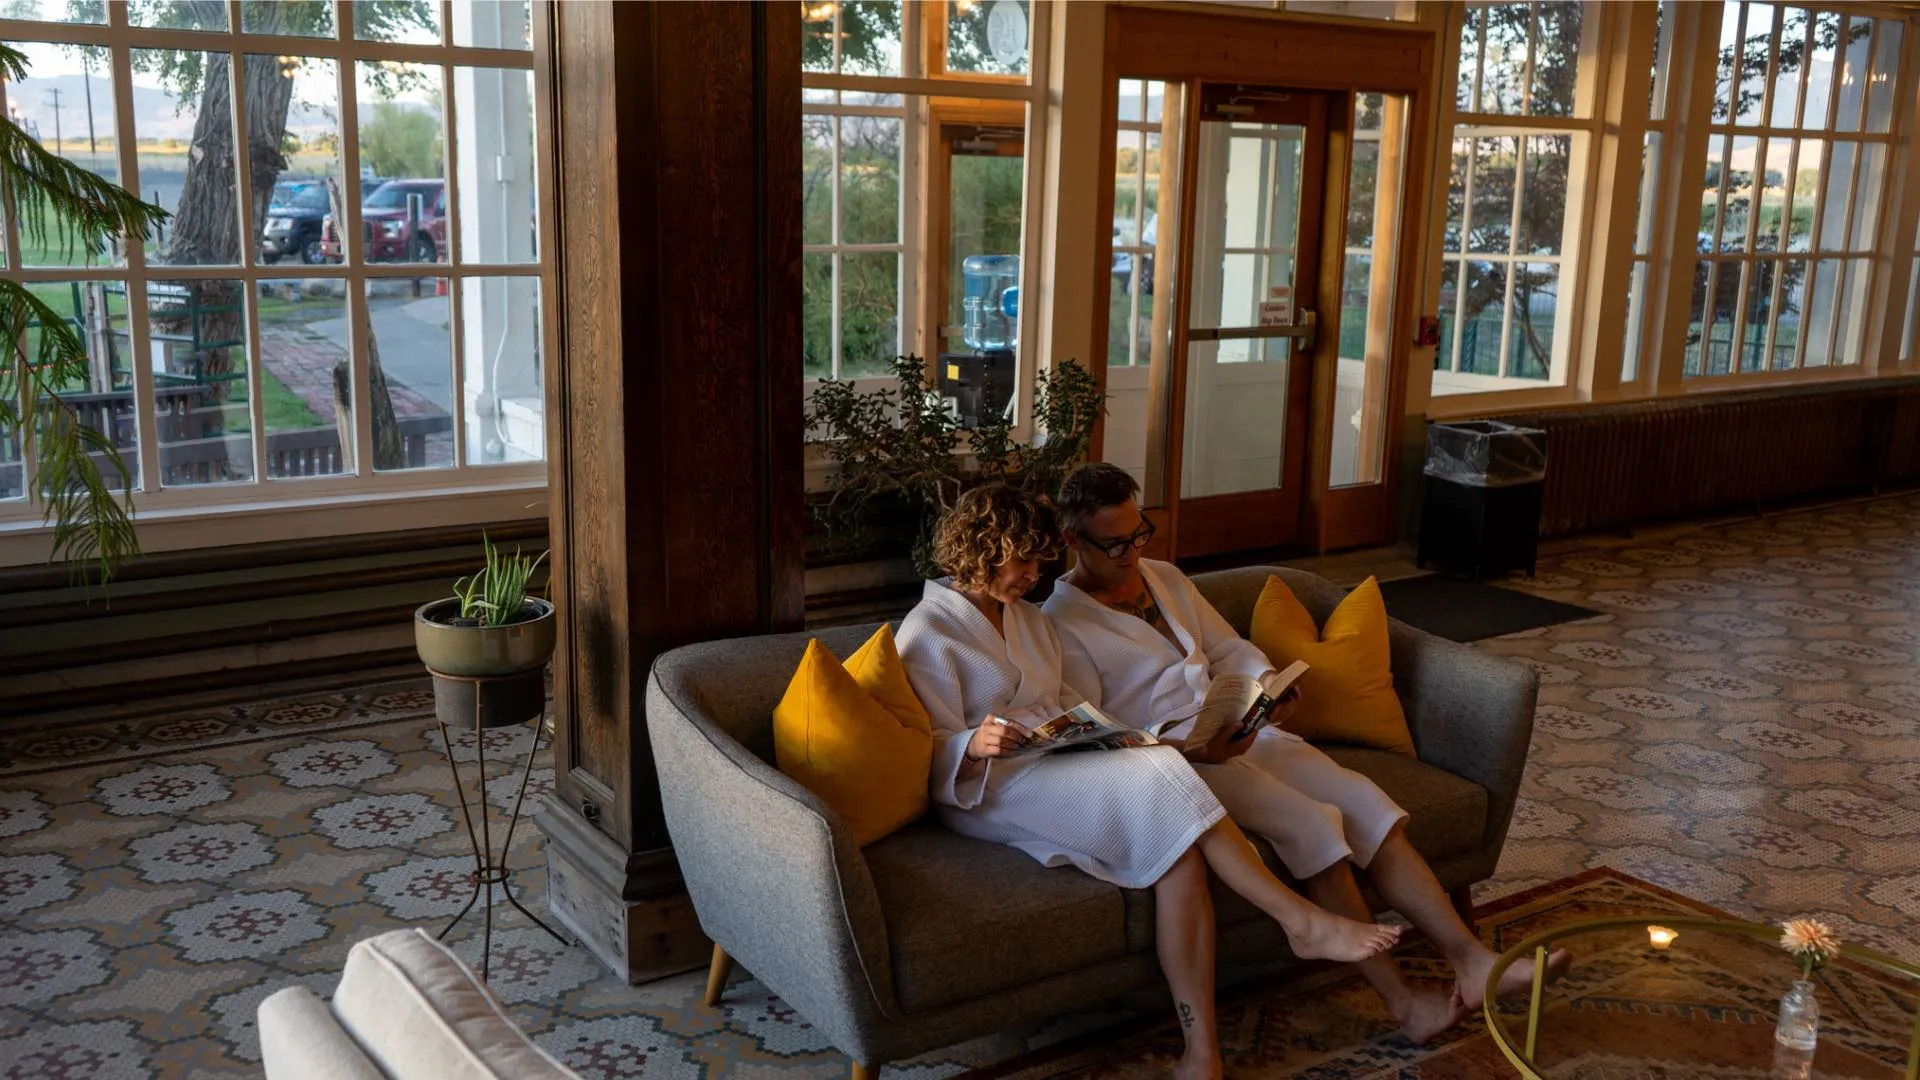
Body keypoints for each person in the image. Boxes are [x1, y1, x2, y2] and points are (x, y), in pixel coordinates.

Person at [1041, 462, 1569, 1044]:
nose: (1130, 553)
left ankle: (1472, 961)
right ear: (1072, 539)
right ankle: (1404, 1004)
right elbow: (1105, 732)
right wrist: (1191, 746)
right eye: (1114, 542)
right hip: (1183, 762)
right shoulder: (1060, 624)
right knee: (1315, 825)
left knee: (1367, 804)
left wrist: (1268, 682)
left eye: (1139, 534)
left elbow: (1229, 647)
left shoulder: (1164, 577)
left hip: (1244, 730)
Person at [897, 483, 1402, 1080]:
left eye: (1039, 560)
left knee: (1178, 851)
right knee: (1165, 770)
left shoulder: (1028, 620)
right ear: (983, 549)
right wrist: (971, 744)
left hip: (1055, 760)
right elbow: (923, 747)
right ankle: (1301, 921)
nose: (1035, 574)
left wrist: (1103, 733)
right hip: (991, 787)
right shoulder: (927, 631)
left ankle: (1202, 1054)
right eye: (1023, 560)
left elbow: (1064, 702)